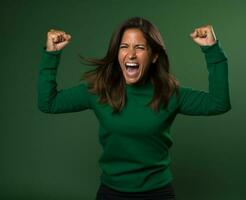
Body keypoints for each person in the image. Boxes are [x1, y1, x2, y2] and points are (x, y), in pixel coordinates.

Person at [38, 17, 231, 200]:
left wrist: (211, 50)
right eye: (124, 47)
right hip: (111, 193)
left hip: (158, 194)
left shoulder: (169, 94)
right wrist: (51, 54)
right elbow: (49, 103)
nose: (130, 54)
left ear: (154, 55)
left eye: (139, 47)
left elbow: (218, 103)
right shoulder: (98, 90)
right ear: (117, 54)